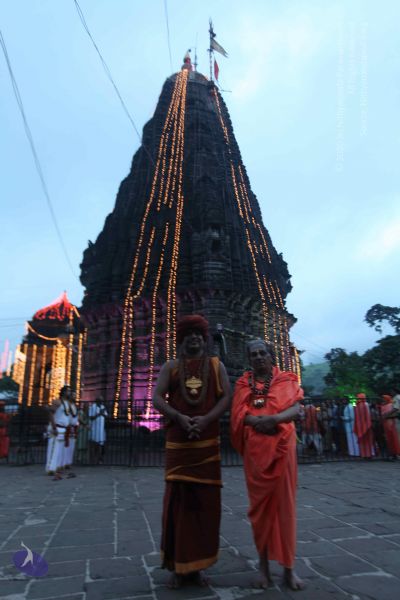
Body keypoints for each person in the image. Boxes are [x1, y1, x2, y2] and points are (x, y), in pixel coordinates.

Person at [152, 314, 230, 589]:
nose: (194, 338)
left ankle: (197, 566)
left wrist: (206, 419)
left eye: (198, 334)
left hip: (206, 445)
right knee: (178, 505)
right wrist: (178, 417)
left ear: (204, 338)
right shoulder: (171, 367)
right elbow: (157, 397)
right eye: (189, 335)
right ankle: (177, 565)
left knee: (205, 506)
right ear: (181, 340)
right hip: (179, 444)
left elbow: (227, 397)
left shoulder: (216, 365)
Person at [231, 339, 305, 591]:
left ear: (271, 355)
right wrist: (258, 422)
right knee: (260, 511)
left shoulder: (286, 379)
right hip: (256, 451)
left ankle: (289, 569)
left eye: (263, 353)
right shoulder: (244, 383)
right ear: (249, 359)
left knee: (286, 507)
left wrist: (274, 419)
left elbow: (295, 409)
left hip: (282, 447)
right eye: (254, 354)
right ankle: (263, 568)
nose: (259, 357)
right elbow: (239, 414)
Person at [46, 385, 72, 480]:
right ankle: (50, 469)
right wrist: (54, 427)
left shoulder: (67, 403)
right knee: (53, 449)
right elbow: (51, 413)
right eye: (68, 391)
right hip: (56, 428)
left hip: (63, 429)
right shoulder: (57, 401)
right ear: (63, 392)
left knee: (60, 450)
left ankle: (57, 467)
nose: (69, 393)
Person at [353, 393, 375, 458]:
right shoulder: (366, 404)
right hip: (367, 424)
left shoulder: (356, 404)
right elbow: (368, 414)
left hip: (359, 425)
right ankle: (369, 454)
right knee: (368, 440)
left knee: (362, 441)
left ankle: (363, 454)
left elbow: (354, 409)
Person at [89, 396, 108, 464]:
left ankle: (99, 459)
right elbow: (91, 417)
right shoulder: (92, 407)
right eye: (100, 401)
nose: (101, 402)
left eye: (102, 401)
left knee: (100, 444)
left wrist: (102, 413)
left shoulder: (103, 407)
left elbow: (106, 415)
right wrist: (99, 413)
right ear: (97, 401)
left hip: (101, 429)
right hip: (94, 429)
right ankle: (92, 460)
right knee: (93, 444)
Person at [381, 395, 400, 459]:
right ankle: (393, 453)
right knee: (389, 439)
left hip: (391, 422)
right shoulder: (383, 406)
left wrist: (386, 416)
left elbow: (396, 412)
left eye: (384, 398)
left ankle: (397, 453)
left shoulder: (391, 405)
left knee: (394, 438)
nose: (382, 400)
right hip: (385, 423)